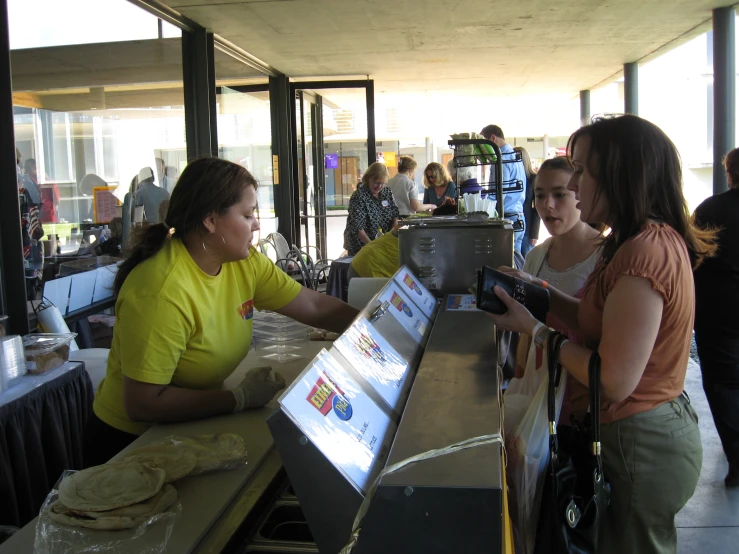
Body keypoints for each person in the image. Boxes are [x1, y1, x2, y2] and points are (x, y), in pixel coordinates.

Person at [488, 115, 715, 554]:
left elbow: (612, 378)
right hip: (627, 435)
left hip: (639, 441)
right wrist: (540, 294)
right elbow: (596, 321)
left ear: (619, 175)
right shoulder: (630, 243)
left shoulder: (644, 252)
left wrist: (535, 331)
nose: (574, 185)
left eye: (582, 170)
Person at [86, 158, 359, 466]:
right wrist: (238, 398)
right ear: (211, 220)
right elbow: (144, 404)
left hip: (191, 426)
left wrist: (377, 330)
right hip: (134, 445)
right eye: (247, 214)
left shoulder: (243, 262)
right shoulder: (161, 290)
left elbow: (315, 305)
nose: (256, 224)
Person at [515, 156, 601, 420]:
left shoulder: (606, 257)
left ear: (581, 193)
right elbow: (525, 333)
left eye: (559, 194)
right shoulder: (535, 257)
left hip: (586, 396)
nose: (547, 206)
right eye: (540, 196)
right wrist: (519, 377)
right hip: (540, 389)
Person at [693, 147, 739, 487]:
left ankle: (737, 456)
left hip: (720, 311)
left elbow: (691, 253)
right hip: (720, 310)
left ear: (729, 173)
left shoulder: (712, 209)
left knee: (723, 384)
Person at [480, 125, 527, 252]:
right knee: (516, 262)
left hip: (507, 218)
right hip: (518, 216)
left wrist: (481, 207)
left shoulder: (502, 159)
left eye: (483, 144)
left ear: (493, 138)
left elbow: (500, 194)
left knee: (507, 265)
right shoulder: (515, 156)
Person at [343, 162, 399, 256]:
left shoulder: (387, 192)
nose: (379, 187)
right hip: (361, 245)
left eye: (382, 184)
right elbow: (358, 228)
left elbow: (395, 215)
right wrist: (373, 246)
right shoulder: (359, 196)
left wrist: (390, 236)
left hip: (382, 242)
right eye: (376, 182)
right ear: (368, 178)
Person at [513, 147, 540, 257]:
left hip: (528, 229)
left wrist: (534, 233)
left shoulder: (533, 179)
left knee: (527, 263)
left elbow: (537, 209)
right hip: (515, 224)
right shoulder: (513, 179)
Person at [25, 158, 60, 224]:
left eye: (28, 168)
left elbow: (56, 201)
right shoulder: (28, 182)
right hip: (34, 215)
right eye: (26, 168)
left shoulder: (48, 183)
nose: (26, 171)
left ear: (35, 167)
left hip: (46, 215)